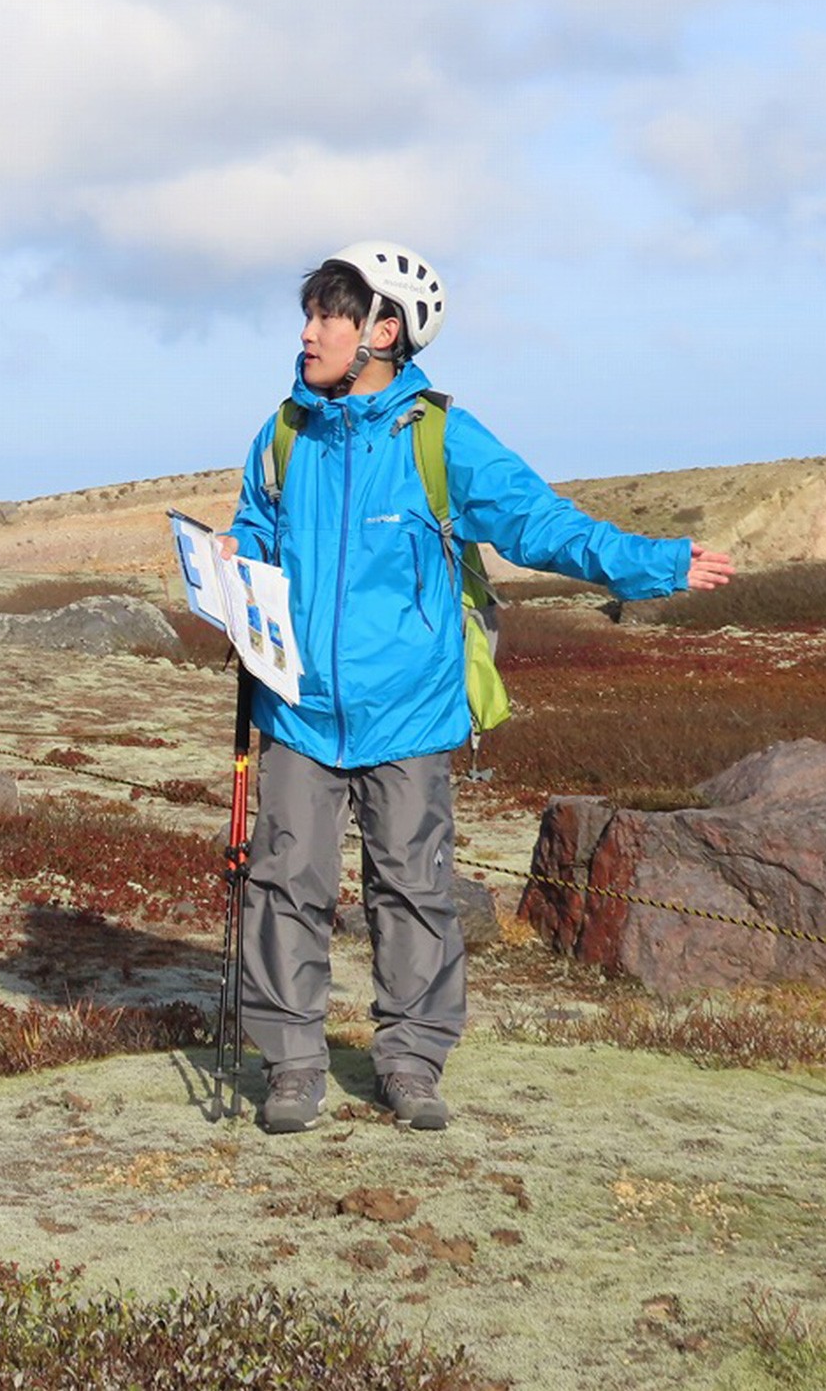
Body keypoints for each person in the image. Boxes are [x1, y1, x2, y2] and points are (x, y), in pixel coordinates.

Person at [223, 241, 734, 1135]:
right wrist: (232, 562)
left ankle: (412, 1063)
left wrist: (655, 564)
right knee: (282, 886)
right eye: (308, 315)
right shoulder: (283, 433)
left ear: (383, 331)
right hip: (298, 711)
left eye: (327, 317)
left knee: (414, 892)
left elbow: (542, 524)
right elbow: (258, 526)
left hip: (411, 712)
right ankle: (294, 1066)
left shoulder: (442, 438)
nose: (308, 334)